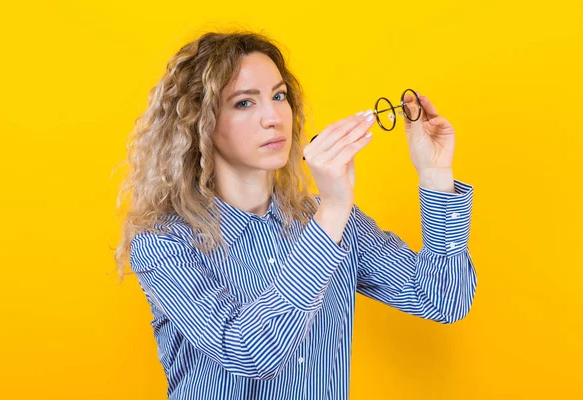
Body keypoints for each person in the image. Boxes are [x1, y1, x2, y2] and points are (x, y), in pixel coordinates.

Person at [113, 30, 477, 400]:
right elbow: (253, 352)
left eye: (279, 95)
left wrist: (435, 175)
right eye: (244, 103)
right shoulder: (163, 244)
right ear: (200, 122)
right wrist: (333, 211)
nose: (273, 117)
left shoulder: (334, 222)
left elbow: (444, 299)